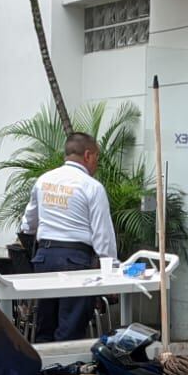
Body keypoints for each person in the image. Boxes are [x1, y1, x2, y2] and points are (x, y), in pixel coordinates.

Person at [18, 131, 118, 342]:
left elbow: (27, 224)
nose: (96, 165)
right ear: (88, 155)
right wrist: (112, 269)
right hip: (76, 262)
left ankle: (44, 370)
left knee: (45, 322)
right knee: (71, 327)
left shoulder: (43, 180)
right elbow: (103, 235)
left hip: (44, 260)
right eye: (97, 159)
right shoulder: (92, 186)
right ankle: (66, 370)